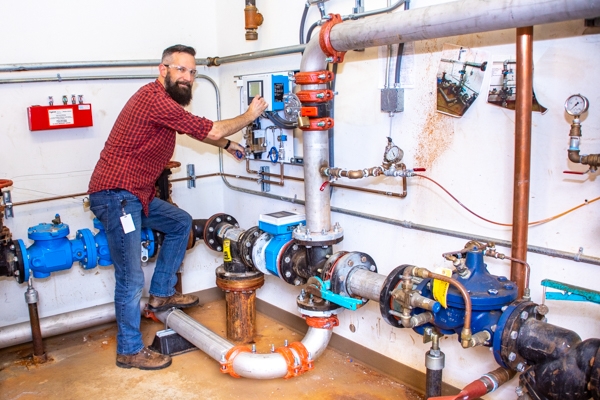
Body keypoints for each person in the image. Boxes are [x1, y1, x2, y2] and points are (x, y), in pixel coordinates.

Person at [88, 44, 267, 370]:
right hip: (118, 197)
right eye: (180, 69)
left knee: (179, 222)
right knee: (129, 280)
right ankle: (128, 349)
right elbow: (207, 128)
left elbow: (196, 130)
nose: (187, 77)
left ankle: (161, 293)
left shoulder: (164, 104)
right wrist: (249, 116)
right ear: (163, 70)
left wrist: (229, 145)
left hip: (134, 195)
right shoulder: (153, 99)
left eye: (192, 72)